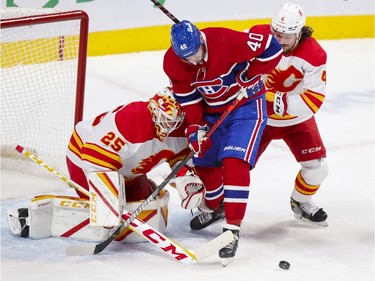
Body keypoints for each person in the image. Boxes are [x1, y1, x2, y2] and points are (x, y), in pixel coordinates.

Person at [7, 87, 205, 242]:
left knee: (145, 211)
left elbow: (179, 156)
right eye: (165, 120)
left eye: (174, 122)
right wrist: (108, 203)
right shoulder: (131, 120)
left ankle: (116, 203)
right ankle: (31, 218)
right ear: (153, 110)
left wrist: (187, 180)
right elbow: (93, 159)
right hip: (85, 160)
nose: (169, 127)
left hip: (128, 170)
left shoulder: (181, 129)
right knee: (107, 219)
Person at [163, 20, 282, 264]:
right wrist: (195, 127)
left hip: (246, 107)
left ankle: (232, 229)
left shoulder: (226, 41)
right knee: (204, 163)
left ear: (201, 41)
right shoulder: (173, 63)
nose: (194, 61)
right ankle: (217, 207)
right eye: (187, 58)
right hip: (210, 113)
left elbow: (272, 46)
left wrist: (253, 75)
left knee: (234, 160)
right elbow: (189, 99)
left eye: (196, 54)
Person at [255, 2, 329, 225]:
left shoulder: (314, 54)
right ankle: (217, 203)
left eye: (286, 36)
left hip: (297, 120)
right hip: (258, 116)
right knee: (232, 162)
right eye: (276, 33)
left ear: (299, 33)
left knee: (317, 167)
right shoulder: (258, 38)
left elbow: (314, 98)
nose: (279, 40)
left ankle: (301, 201)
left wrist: (284, 104)